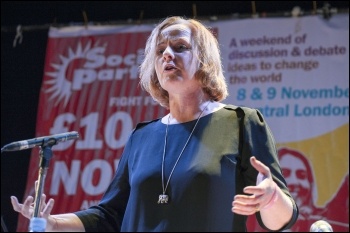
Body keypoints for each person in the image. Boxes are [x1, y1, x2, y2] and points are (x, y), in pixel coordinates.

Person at [10, 16, 298, 232]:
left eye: (180, 47)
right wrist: (51, 223)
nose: (167, 55)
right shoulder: (142, 137)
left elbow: (280, 222)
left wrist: (272, 198)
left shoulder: (240, 122)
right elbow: (110, 215)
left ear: (205, 61)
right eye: (160, 50)